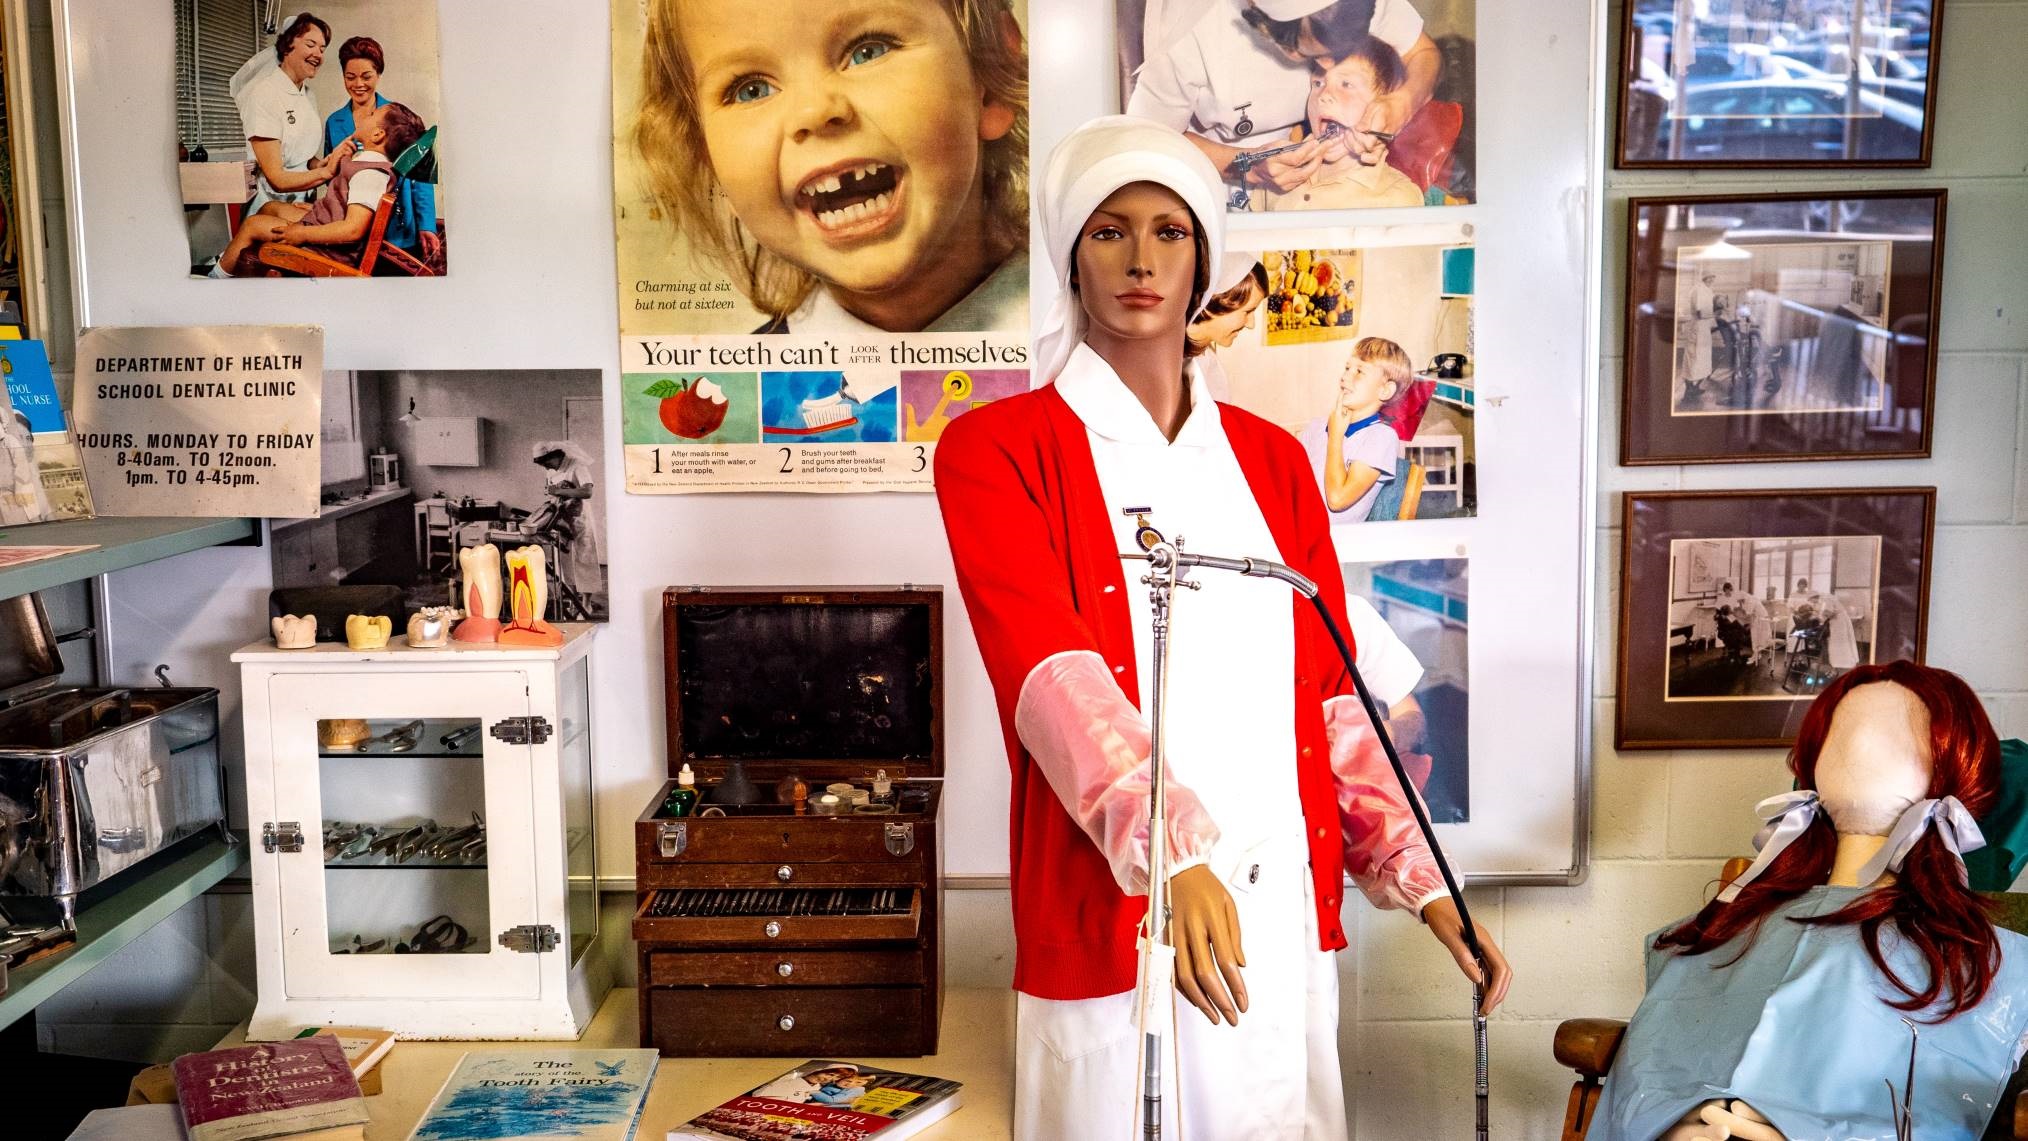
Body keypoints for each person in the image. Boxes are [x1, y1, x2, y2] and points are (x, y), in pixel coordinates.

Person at [933, 115, 1508, 1141]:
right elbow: (1049, 677)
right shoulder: (996, 450)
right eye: (1110, 232)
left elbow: (1334, 691)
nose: (1143, 259)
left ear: (1204, 255)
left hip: (1275, 902)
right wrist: (1174, 858)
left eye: (1170, 231)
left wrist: (1424, 881)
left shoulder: (1276, 459)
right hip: (1123, 911)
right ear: (1070, 252)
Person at [1591, 663, 2028, 1140]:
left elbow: (1931, 1101)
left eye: (1896, 734)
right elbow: (1655, 1068)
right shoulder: (1729, 929)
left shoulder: (1983, 962)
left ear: (1956, 759)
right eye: (1845, 729)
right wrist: (1667, 1125)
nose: (1862, 744)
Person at [633, 0, 1029, 335]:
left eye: (868, 50)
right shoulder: (736, 399)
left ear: (992, 80)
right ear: (710, 161)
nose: (814, 111)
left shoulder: (1072, 331)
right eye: (751, 89)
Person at [1129, 0, 1440, 195]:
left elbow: (1423, 54)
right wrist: (1245, 166)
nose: (1330, 67)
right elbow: (1148, 140)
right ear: (1263, 26)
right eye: (1317, 55)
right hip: (1217, 181)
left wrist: (1403, 102)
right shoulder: (1190, 31)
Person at [210, 102, 426, 276]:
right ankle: (232, 254)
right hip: (326, 225)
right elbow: (343, 199)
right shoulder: (364, 162)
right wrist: (321, 207)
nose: (366, 113)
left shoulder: (369, 174)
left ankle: (216, 277)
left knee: (252, 225)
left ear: (377, 135)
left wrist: (303, 233)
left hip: (330, 251)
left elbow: (353, 229)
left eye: (372, 115)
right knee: (272, 207)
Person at [1258, 36, 1424, 211]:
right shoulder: (1277, 173)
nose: (1323, 95)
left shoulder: (1399, 199)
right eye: (1318, 83)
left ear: (1384, 108)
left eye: (1346, 84)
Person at [323, 36, 437, 255]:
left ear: (379, 74)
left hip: (397, 231)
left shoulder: (398, 117)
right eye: (350, 77)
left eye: (367, 76)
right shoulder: (333, 121)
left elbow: (421, 178)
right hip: (351, 228)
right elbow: (332, 175)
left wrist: (426, 225)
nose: (358, 85)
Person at [227, 13, 347, 216]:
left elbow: (303, 157)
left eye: (322, 48)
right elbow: (277, 178)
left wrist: (323, 163)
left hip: (304, 202)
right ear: (288, 45)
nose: (318, 54)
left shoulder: (308, 95)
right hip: (269, 206)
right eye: (311, 45)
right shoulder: (264, 94)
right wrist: (325, 172)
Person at [1307, 336, 1411, 520]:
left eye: (1359, 371)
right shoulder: (1316, 426)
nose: (1345, 376)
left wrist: (1335, 437)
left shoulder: (1381, 437)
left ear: (1385, 390)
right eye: (1347, 368)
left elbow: (1337, 500)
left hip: (1333, 541)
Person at [522, 440, 604, 612]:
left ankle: (586, 604)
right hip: (562, 519)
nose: (545, 468)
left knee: (584, 559)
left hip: (580, 519)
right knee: (566, 563)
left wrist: (559, 491)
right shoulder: (552, 470)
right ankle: (575, 602)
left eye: (546, 463)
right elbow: (550, 490)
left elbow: (587, 492)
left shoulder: (577, 466)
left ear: (556, 455)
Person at [1185, 259, 1268, 400]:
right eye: (1248, 311)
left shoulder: (1204, 353)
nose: (1251, 324)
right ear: (1213, 304)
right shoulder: (1180, 369)